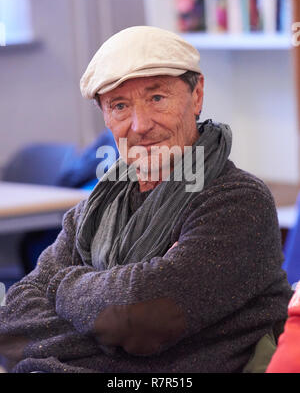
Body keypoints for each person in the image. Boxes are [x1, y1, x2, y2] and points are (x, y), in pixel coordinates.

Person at [0, 26, 292, 373]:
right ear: (105, 116)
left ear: (196, 95)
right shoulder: (92, 212)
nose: (140, 125)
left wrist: (62, 284)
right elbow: (12, 323)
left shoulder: (238, 202)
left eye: (157, 98)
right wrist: (113, 314)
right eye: (120, 106)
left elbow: (144, 317)